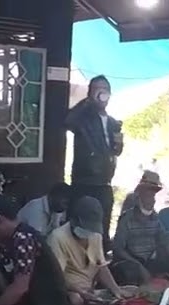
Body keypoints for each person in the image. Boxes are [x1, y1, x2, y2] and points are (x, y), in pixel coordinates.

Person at [66, 75, 123, 242]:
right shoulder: (83, 119)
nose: (102, 93)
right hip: (84, 181)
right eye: (98, 89)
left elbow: (116, 151)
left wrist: (118, 145)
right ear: (90, 92)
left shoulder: (113, 122)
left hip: (105, 182)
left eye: (105, 90)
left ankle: (100, 261)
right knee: (79, 227)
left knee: (102, 229)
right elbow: (67, 121)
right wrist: (88, 102)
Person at [48, 196, 127, 305]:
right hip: (69, 291)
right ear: (73, 220)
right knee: (75, 299)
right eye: (86, 228)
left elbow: (101, 267)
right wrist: (80, 292)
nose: (89, 233)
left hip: (90, 290)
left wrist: (116, 290)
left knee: (124, 294)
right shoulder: (58, 238)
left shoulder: (96, 235)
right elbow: (56, 278)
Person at [111, 171, 169, 286]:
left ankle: (159, 277)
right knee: (128, 272)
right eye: (148, 194)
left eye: (153, 195)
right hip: (131, 260)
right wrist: (138, 265)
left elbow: (165, 240)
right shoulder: (127, 219)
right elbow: (118, 249)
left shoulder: (155, 217)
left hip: (148, 259)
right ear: (140, 196)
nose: (151, 199)